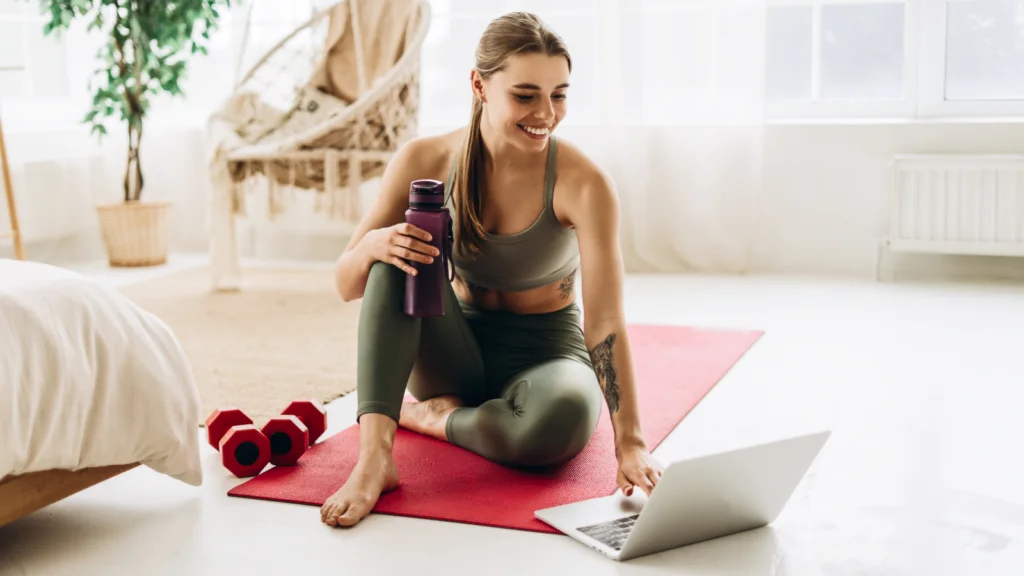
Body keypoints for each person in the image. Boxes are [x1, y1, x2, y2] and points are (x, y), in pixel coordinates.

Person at [321, 11, 663, 528]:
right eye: (525, 96)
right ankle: (374, 461)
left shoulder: (584, 183)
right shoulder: (425, 160)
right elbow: (347, 284)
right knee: (394, 261)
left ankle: (434, 419)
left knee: (560, 423)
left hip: (546, 354)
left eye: (559, 95)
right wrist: (372, 244)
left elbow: (606, 321)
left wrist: (630, 442)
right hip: (452, 353)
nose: (546, 113)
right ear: (479, 86)